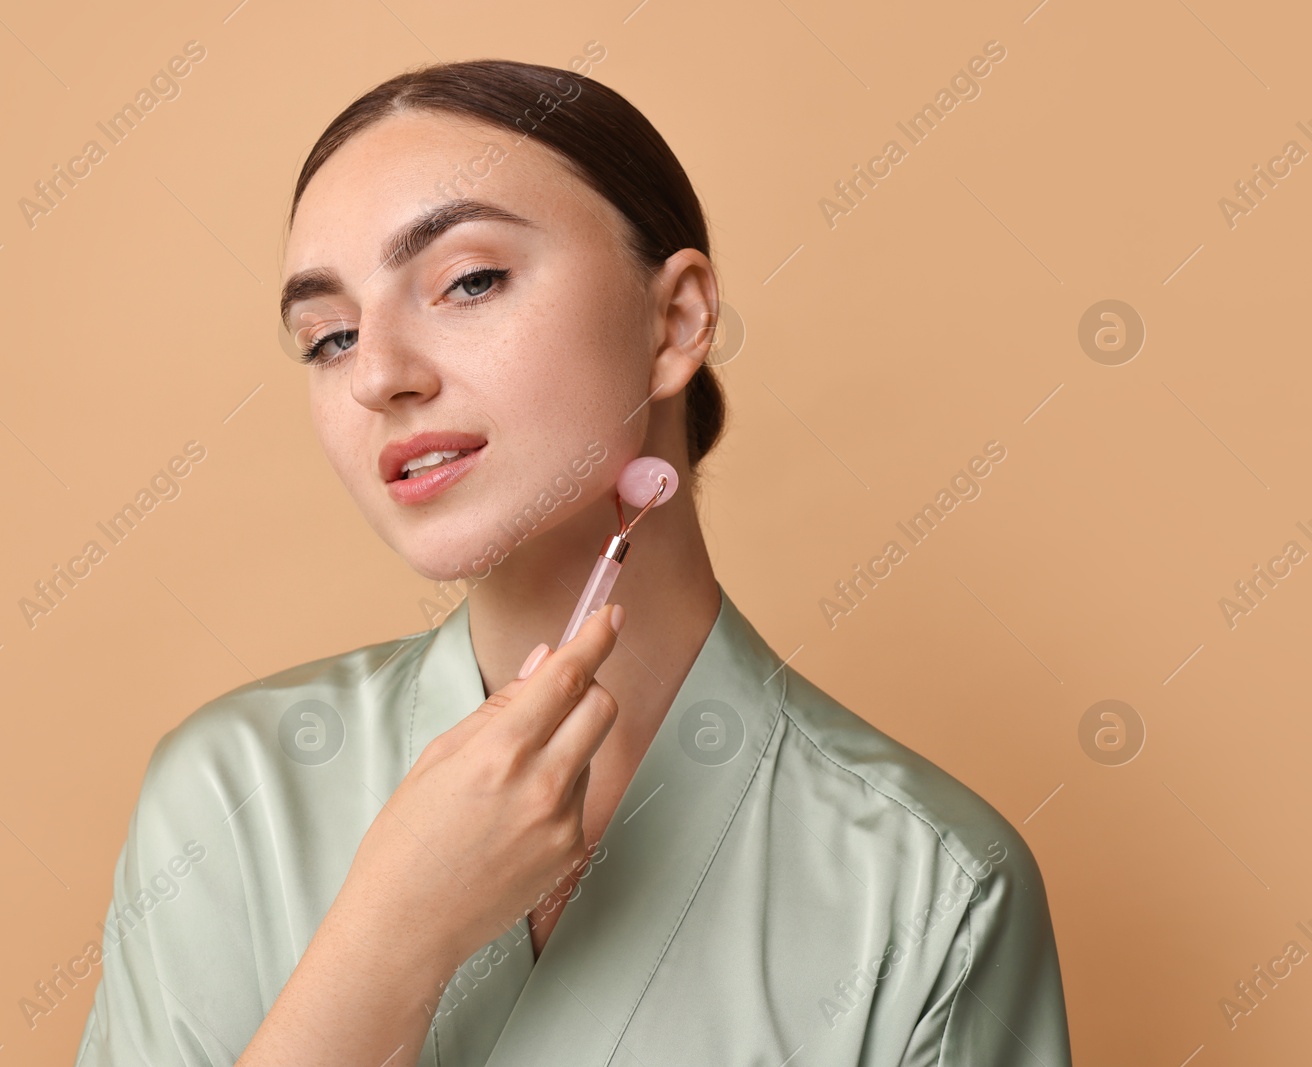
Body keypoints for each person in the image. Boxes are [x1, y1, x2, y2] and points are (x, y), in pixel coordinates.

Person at [75, 58, 1071, 1066]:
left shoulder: (932, 884)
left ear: (674, 319)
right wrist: (391, 938)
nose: (377, 374)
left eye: (468, 281)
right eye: (329, 337)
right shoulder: (230, 794)